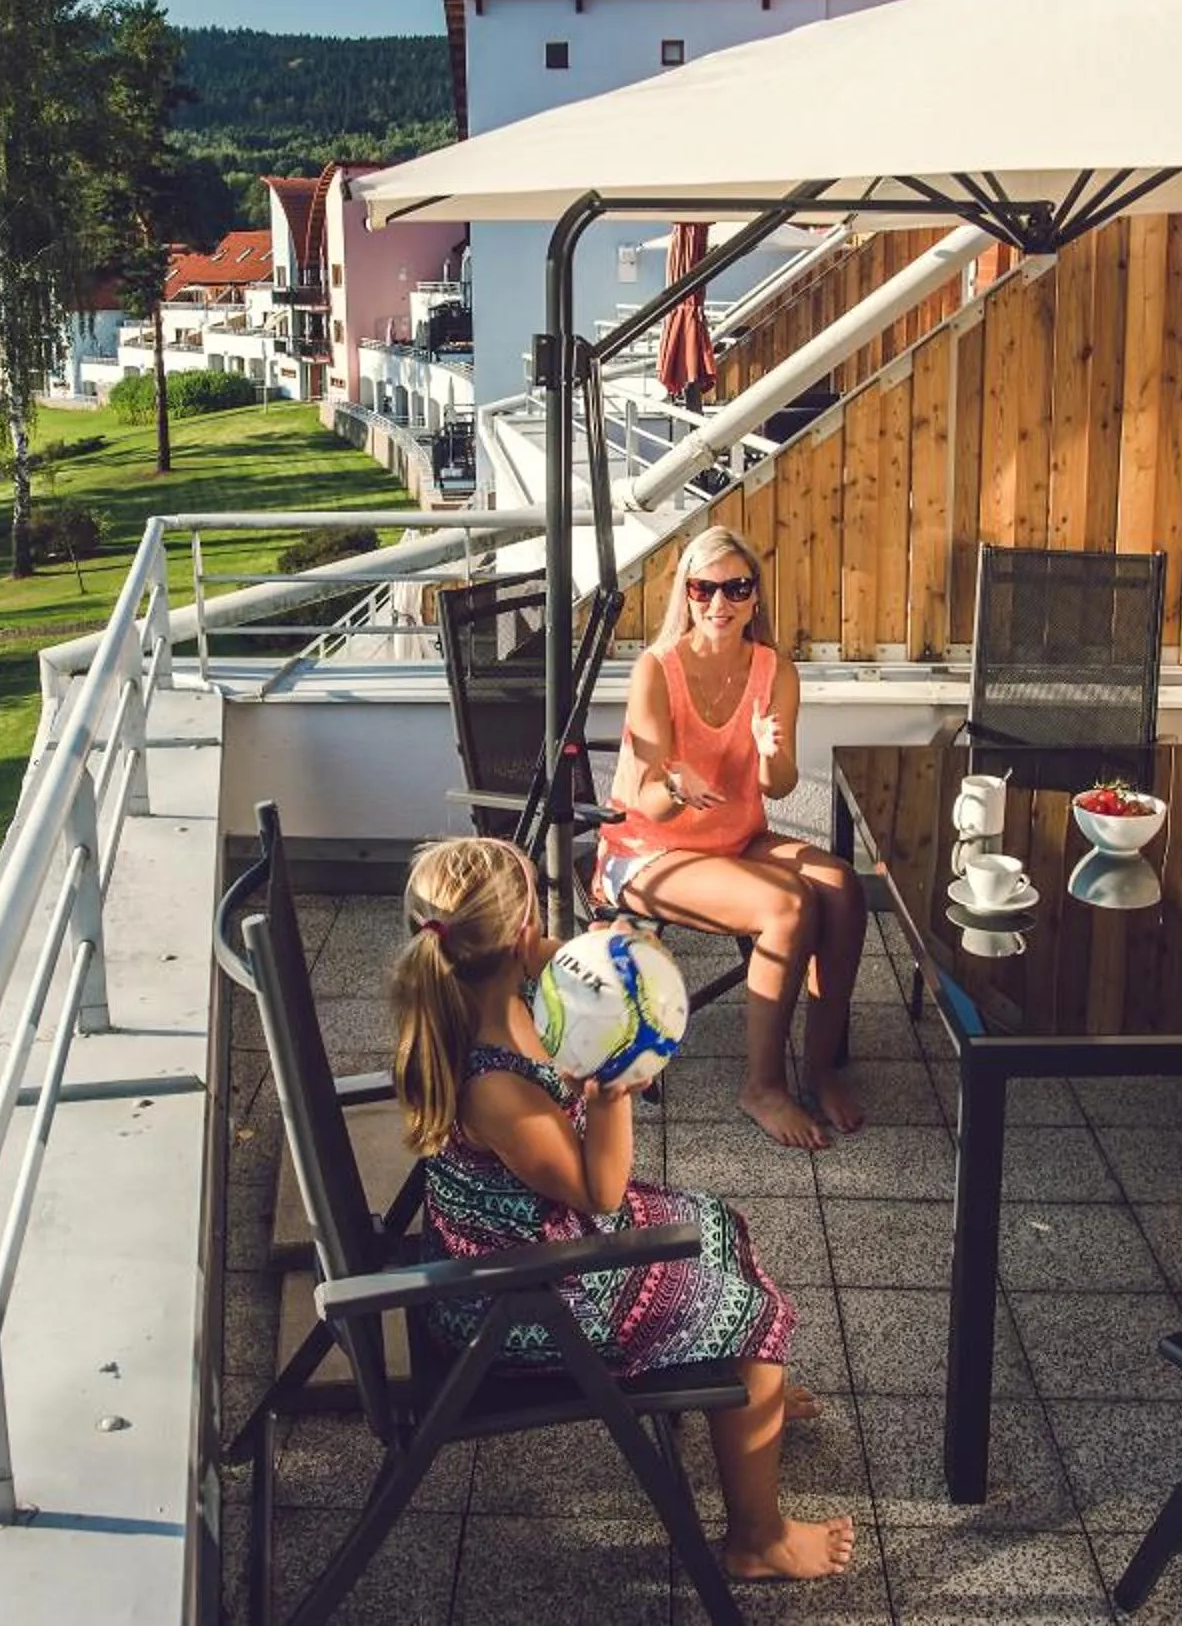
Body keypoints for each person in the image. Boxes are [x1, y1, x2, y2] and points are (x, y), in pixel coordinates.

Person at [390, 835, 856, 1585]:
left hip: (513, 1242)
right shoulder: (496, 1089)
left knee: (718, 1222)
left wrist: (610, 953)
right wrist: (611, 1093)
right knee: (750, 1316)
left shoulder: (474, 997)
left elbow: (557, 961)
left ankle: (746, 1408)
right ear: (515, 935)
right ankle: (757, 1536)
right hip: (525, 1298)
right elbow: (601, 1190)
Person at [598, 526, 866, 1148]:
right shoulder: (656, 670)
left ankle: (821, 1065)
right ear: (686, 595)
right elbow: (646, 803)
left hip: (734, 836)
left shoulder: (774, 669)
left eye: (736, 588)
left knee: (843, 888)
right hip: (648, 850)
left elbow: (777, 787)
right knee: (787, 905)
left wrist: (771, 753)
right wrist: (679, 785)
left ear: (754, 597)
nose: (720, 603)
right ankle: (763, 1087)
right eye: (704, 588)